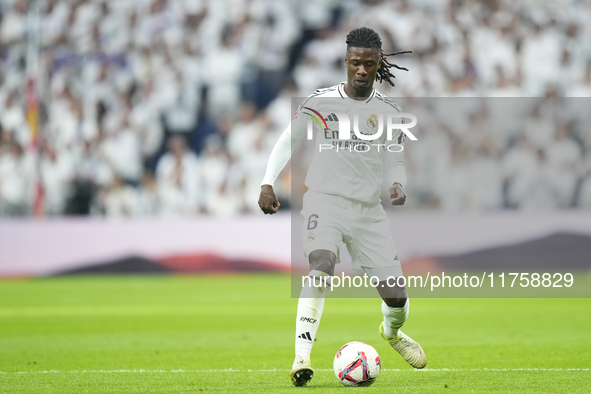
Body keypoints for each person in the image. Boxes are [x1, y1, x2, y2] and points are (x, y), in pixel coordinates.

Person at [258, 27, 426, 387]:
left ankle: (392, 333)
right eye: (354, 63)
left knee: (396, 297)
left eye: (368, 64)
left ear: (378, 63)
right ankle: (301, 358)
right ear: (345, 62)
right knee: (321, 264)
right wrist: (268, 181)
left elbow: (395, 158)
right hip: (325, 202)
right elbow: (289, 140)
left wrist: (399, 183)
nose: (361, 70)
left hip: (368, 211)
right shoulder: (321, 102)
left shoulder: (387, 112)